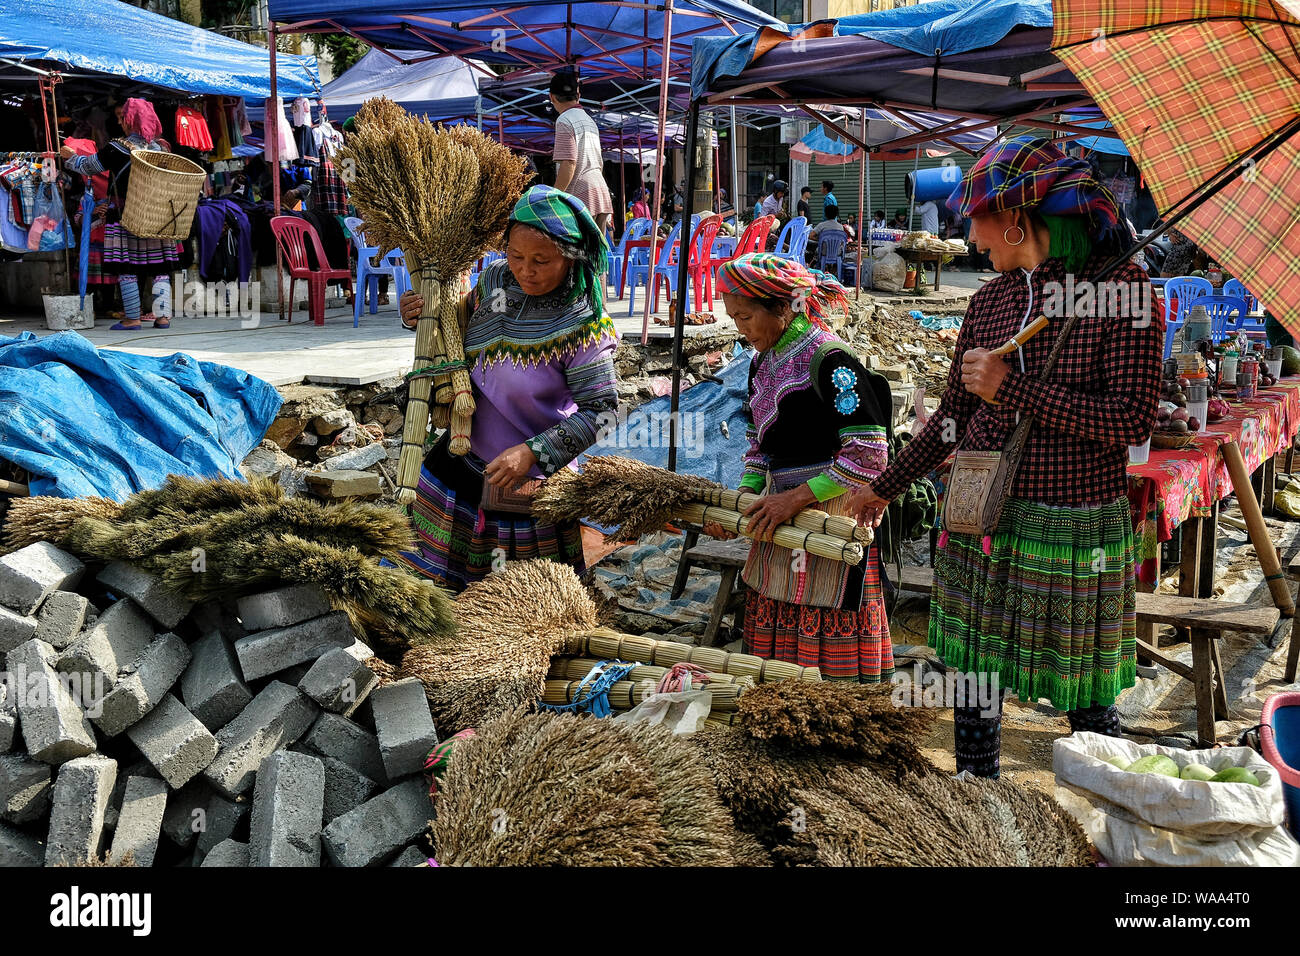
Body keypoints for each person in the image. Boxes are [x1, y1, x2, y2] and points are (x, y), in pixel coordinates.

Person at [850, 135, 1162, 777]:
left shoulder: (1122, 291)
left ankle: (1118, 807)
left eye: (978, 217)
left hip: (1069, 528)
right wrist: (884, 487)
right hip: (983, 525)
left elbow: (1129, 421)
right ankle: (976, 794)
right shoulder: (991, 301)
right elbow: (953, 420)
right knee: (973, 680)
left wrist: (1011, 387)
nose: (968, 233)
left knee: (1087, 700)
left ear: (1017, 219)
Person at [395, 185, 617, 591]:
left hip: (527, 489)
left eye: (541, 260)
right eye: (516, 256)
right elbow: (455, 333)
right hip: (457, 466)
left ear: (571, 257)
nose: (525, 270)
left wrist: (530, 453)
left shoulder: (584, 323)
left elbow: (602, 412)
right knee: (435, 595)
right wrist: (417, 315)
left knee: (519, 608)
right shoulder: (496, 283)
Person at [714, 253, 894, 682]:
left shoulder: (830, 361)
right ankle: (781, 709)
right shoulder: (762, 361)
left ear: (780, 307)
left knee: (824, 607)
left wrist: (793, 500)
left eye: (745, 316)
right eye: (734, 318)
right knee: (778, 602)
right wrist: (745, 500)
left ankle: (834, 708)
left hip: (831, 514)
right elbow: (759, 445)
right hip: (779, 513)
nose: (740, 330)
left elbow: (869, 451)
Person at [62, 98, 178, 330]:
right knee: (159, 267)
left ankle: (133, 318)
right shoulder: (162, 148)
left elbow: (88, 166)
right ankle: (162, 317)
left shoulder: (117, 148)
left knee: (126, 267)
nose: (119, 121)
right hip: (157, 214)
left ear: (130, 120)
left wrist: (69, 157)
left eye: (122, 117)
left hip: (125, 214)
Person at [549, 72, 613, 235]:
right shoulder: (589, 119)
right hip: (600, 190)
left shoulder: (564, 120)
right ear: (578, 95)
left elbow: (569, 163)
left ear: (552, 97)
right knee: (597, 254)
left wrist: (553, 196)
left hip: (581, 195)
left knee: (579, 256)